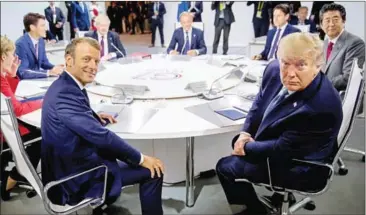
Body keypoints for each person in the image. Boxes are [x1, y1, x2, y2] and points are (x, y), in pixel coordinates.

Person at [216, 32, 343, 215]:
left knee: (225, 167)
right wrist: (245, 133)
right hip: (292, 143)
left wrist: (245, 148)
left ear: (317, 66)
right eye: (285, 63)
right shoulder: (275, 68)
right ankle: (279, 195)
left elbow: (282, 148)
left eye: (301, 65)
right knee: (238, 141)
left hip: (303, 166)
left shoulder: (320, 107)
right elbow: (260, 101)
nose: (290, 73)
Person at [41, 37, 164, 215]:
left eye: (96, 61)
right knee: (154, 171)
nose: (93, 66)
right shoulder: (65, 94)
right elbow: (101, 136)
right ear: (69, 60)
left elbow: (75, 115)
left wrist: (93, 116)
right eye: (86, 59)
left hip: (69, 163)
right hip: (74, 179)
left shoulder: (65, 85)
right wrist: (142, 159)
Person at [0, 35, 42, 201]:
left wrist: (12, 74)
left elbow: (10, 98)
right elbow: (17, 109)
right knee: (40, 138)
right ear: (4, 56)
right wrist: (43, 102)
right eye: (12, 55)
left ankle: (21, 172)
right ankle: (11, 180)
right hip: (4, 133)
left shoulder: (2, 77)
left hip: (5, 125)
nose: (14, 58)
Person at [320, 3, 365, 92]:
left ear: (344, 21)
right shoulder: (323, 44)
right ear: (321, 24)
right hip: (322, 97)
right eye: (327, 20)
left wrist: (319, 85)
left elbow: (348, 77)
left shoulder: (355, 43)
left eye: (335, 19)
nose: (331, 24)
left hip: (341, 99)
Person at [16, 13, 64, 79]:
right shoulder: (20, 44)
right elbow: (23, 72)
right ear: (32, 27)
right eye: (42, 25)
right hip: (25, 83)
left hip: (37, 79)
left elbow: (44, 62)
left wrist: (55, 68)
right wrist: (49, 72)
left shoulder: (41, 40)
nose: (46, 29)